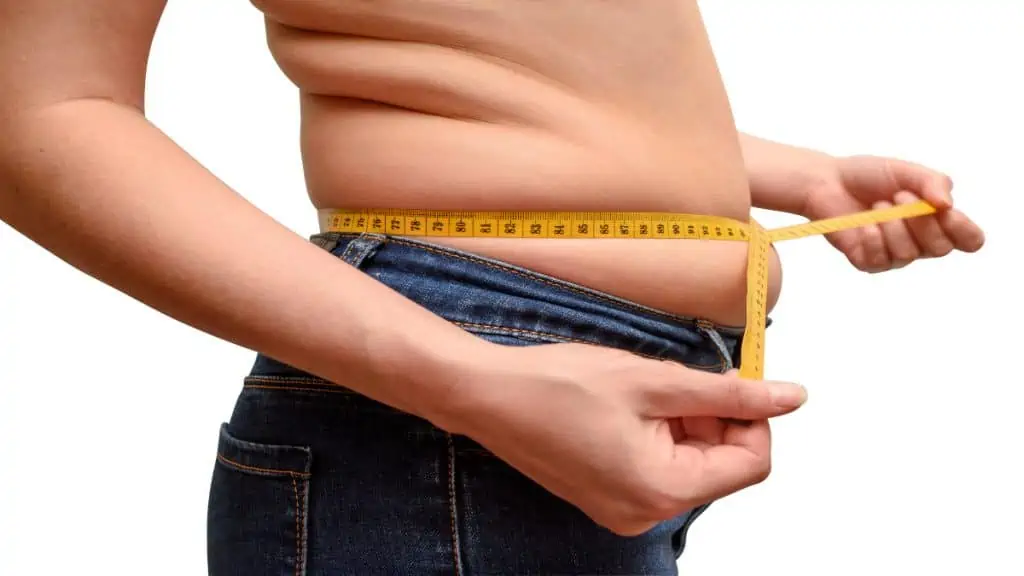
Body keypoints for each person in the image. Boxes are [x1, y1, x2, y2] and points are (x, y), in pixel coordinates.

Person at [0, 1, 985, 575]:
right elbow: (33, 113)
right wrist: (470, 382)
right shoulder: (469, 388)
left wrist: (785, 176)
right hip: (449, 398)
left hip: (554, 400)